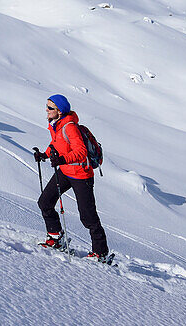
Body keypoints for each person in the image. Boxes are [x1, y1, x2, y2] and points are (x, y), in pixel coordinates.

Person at [33, 94, 109, 258]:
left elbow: (81, 152)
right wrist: (44, 155)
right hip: (66, 171)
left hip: (81, 175)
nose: (46, 110)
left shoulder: (70, 127)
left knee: (88, 217)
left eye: (50, 108)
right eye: (47, 106)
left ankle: (101, 253)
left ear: (59, 111)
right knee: (45, 202)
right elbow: (56, 145)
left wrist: (62, 159)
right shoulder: (56, 125)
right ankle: (55, 237)